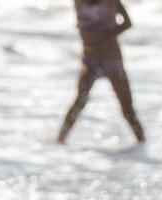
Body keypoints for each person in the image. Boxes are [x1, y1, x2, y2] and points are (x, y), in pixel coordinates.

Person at [57, 0, 145, 146]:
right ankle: (58, 143)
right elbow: (81, 25)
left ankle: (143, 146)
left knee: (127, 110)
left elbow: (128, 23)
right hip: (90, 60)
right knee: (79, 102)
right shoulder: (78, 2)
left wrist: (105, 35)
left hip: (112, 61)